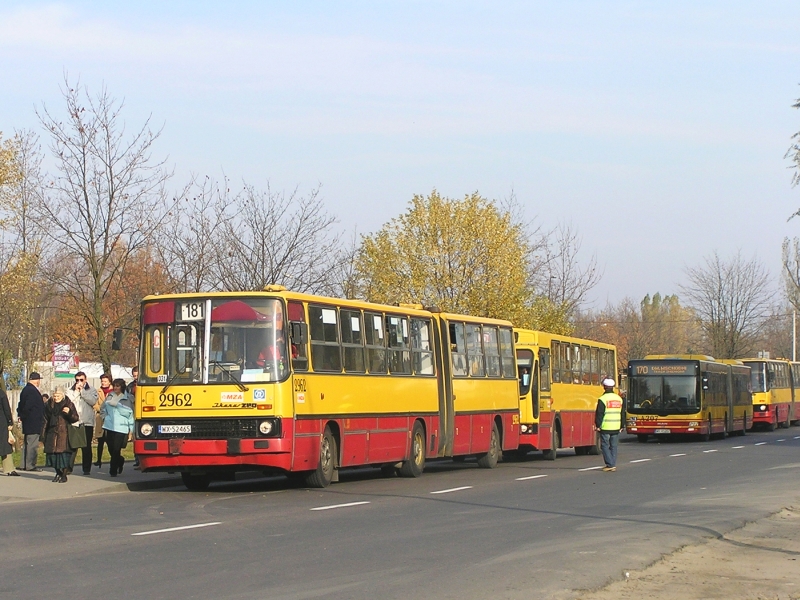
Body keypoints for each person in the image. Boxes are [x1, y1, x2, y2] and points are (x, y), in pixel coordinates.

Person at [42, 387, 79, 483]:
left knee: (63, 457)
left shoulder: (68, 403)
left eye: (58, 396)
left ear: (62, 395)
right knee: (52, 457)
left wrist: (69, 413)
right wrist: (42, 434)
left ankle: (64, 475)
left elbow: (75, 418)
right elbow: (45, 420)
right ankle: (58, 472)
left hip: (64, 433)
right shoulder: (48, 405)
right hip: (52, 433)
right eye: (54, 396)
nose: (56, 398)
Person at [67, 371, 99, 475]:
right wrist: (76, 392)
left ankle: (86, 469)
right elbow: (69, 402)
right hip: (75, 422)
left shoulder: (92, 390)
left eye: (81, 379)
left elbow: (93, 401)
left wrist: (83, 392)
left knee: (86, 447)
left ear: (85, 379)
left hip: (87, 422)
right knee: (73, 446)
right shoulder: (70, 391)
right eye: (77, 380)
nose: (79, 382)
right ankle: (68, 468)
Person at [100, 379, 134, 477]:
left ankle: (113, 470)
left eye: (118, 386)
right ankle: (120, 460)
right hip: (109, 426)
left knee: (116, 449)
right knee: (110, 448)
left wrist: (131, 431)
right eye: (114, 385)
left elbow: (129, 413)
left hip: (121, 427)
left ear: (122, 387)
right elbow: (103, 408)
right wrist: (104, 417)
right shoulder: (109, 396)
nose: (115, 388)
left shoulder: (128, 398)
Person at [17, 371, 44, 471]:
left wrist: (21, 415)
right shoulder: (32, 391)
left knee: (26, 444)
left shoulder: (25, 389)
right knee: (32, 444)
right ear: (36, 380)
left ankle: (23, 464)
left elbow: (21, 404)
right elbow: (28, 406)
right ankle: (30, 465)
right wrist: (24, 415)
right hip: (33, 421)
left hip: (28, 421)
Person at [595, 377, 624, 472]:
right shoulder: (619, 399)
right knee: (614, 446)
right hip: (616, 427)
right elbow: (622, 413)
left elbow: (600, 413)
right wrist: (622, 425)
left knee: (604, 445)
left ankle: (610, 464)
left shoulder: (603, 399)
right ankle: (613, 464)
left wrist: (598, 425)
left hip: (606, 426)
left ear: (604, 387)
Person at [93, 373, 112, 468]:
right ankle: (98, 460)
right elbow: (95, 404)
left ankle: (114, 459)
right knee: (100, 440)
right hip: (100, 418)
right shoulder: (98, 391)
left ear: (109, 382)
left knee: (110, 441)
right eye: (102, 381)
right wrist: (101, 409)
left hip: (111, 419)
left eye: (105, 381)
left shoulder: (113, 391)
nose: (103, 383)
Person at [1, 386, 19, 476]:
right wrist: (9, 422)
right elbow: (6, 408)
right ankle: (9, 469)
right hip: (1, 422)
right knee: (5, 445)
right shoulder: (1, 393)